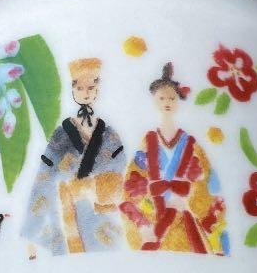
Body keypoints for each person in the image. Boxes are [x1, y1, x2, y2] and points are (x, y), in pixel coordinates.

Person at [121, 62, 229, 254]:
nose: (167, 102)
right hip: (156, 222)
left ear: (178, 101)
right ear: (155, 101)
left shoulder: (191, 145)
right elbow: (132, 187)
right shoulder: (147, 143)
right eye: (162, 98)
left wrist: (187, 202)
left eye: (172, 98)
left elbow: (207, 184)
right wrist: (143, 224)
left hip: (185, 219)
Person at [25, 58, 126, 255]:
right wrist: (32, 229)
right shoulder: (62, 133)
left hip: (100, 212)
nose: (85, 93)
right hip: (66, 207)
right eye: (79, 88)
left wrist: (92, 187)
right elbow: (45, 174)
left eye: (90, 88)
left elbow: (121, 172)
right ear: (72, 90)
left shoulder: (109, 134)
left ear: (97, 90)